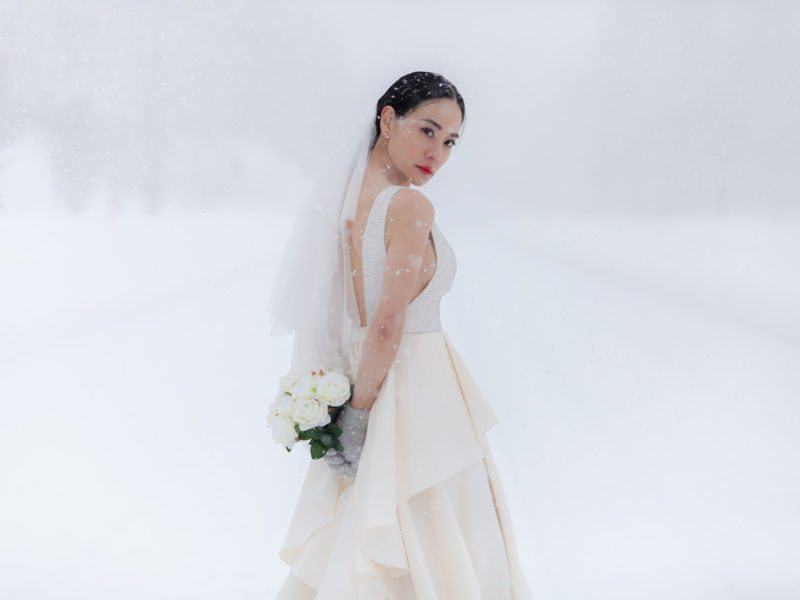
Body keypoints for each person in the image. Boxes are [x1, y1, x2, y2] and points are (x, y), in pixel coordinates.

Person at [270, 71, 532, 599]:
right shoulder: (407, 205)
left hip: (375, 378)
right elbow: (388, 322)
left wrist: (349, 404)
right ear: (388, 119)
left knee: (372, 534)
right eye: (428, 130)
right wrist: (361, 416)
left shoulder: (344, 208)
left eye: (451, 141)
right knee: (439, 537)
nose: (438, 152)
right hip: (417, 399)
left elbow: (349, 317)